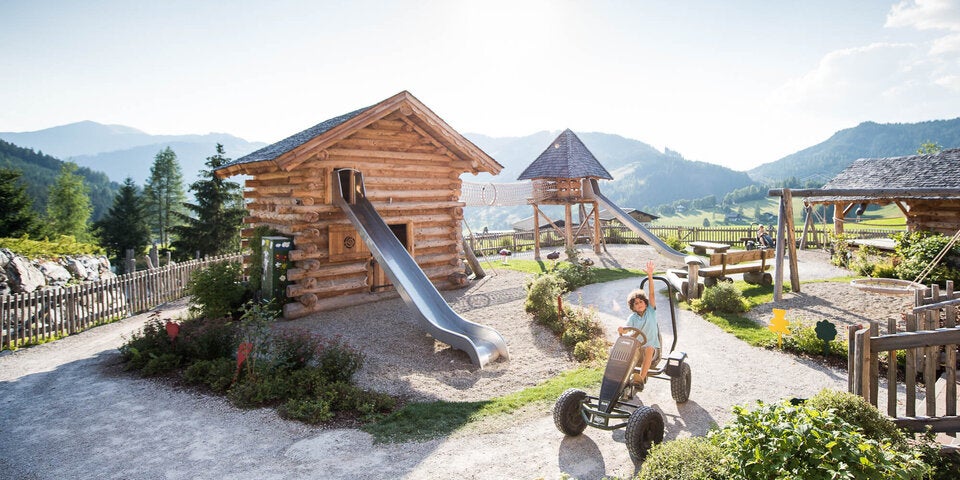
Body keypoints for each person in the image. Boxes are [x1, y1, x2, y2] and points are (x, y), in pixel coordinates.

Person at [617, 260, 659, 383]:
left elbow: (651, 293)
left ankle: (640, 378)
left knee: (649, 348)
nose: (639, 304)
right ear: (633, 307)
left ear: (646, 303)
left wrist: (650, 276)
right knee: (622, 348)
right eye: (636, 303)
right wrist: (622, 330)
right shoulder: (633, 318)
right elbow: (626, 329)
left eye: (641, 302)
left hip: (652, 349)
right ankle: (619, 379)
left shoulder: (651, 311)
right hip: (636, 350)